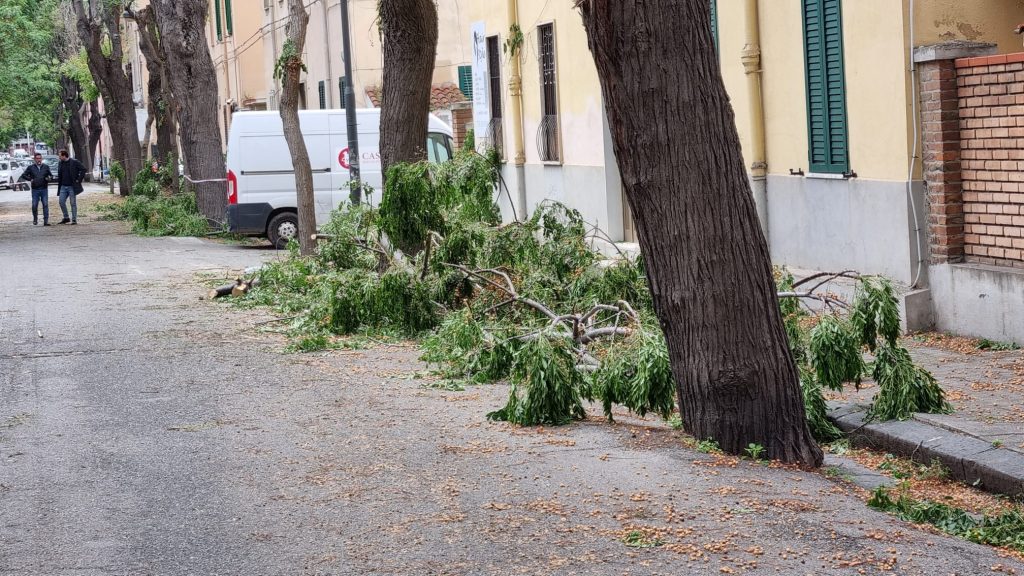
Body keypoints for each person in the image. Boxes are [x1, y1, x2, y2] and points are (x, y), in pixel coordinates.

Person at [19, 153, 53, 226]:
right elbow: (23, 175)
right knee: (34, 205)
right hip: (35, 189)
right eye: (37, 158)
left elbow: (51, 175)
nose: (38, 160)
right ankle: (35, 219)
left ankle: (46, 221)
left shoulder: (46, 167)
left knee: (45, 204)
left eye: (40, 158)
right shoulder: (31, 167)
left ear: (42, 159)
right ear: (34, 159)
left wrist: (49, 178)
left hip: (44, 188)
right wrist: (30, 179)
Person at [56, 150, 87, 225]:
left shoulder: (74, 162)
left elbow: (83, 169)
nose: (59, 157)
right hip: (63, 186)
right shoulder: (60, 163)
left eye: (60, 156)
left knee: (73, 203)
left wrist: (78, 180)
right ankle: (66, 217)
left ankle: (74, 219)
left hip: (72, 186)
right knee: (61, 202)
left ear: (64, 156)